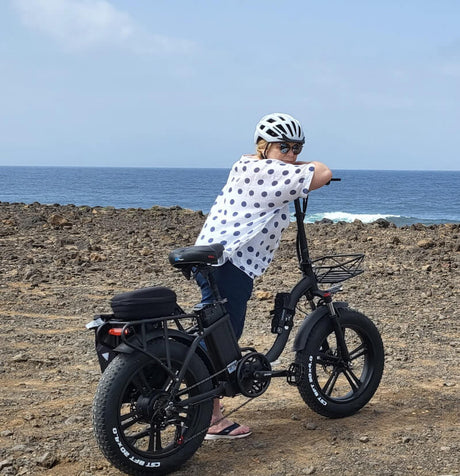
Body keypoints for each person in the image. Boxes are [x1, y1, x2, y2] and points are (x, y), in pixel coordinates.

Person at [194, 113, 332, 440]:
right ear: (264, 145)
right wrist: (307, 164)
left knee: (216, 333)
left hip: (216, 258)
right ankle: (211, 420)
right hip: (230, 263)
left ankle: (202, 406)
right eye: (284, 146)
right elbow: (323, 173)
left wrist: (292, 163)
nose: (291, 154)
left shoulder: (246, 164)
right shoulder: (269, 171)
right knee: (223, 341)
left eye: (297, 148)